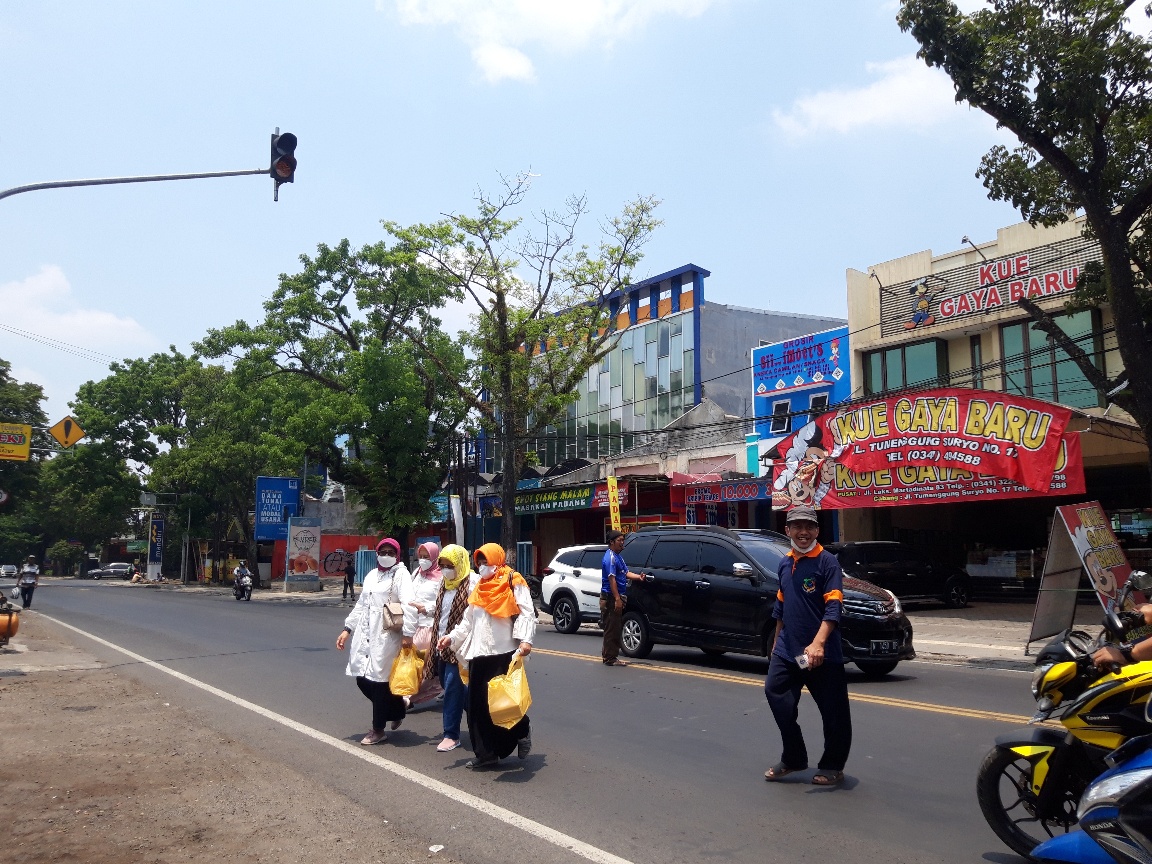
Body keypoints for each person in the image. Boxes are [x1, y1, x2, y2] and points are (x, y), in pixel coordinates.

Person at [763, 506, 851, 787]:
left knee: (834, 712)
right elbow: (781, 603)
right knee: (775, 692)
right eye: (797, 527)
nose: (803, 532)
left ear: (817, 530)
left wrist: (818, 643)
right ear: (787, 530)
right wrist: (777, 641)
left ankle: (833, 765)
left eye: (809, 527)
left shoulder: (827, 563)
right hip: (789, 649)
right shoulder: (785, 562)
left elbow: (834, 605)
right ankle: (794, 757)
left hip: (822, 652)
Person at [437, 542, 535, 769]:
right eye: (478, 561)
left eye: (485, 561)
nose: (481, 565)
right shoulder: (480, 586)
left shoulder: (513, 580)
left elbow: (526, 613)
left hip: (503, 652)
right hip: (478, 654)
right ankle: (487, 753)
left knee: (503, 704)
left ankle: (522, 729)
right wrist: (451, 638)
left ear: (497, 559)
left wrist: (526, 640)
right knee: (478, 707)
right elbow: (468, 621)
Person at [336, 538, 414, 745]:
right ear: (377, 553)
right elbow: (361, 605)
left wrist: (408, 634)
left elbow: (409, 605)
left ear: (397, 555)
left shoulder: (401, 574)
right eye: (383, 551)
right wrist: (347, 629)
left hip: (387, 636)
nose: (386, 555)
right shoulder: (372, 575)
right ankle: (397, 707)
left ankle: (378, 729)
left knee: (379, 682)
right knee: (361, 678)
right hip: (366, 634)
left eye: (390, 552)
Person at [429, 543, 478, 752]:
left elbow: (473, 618)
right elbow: (441, 611)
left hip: (461, 647)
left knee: (451, 687)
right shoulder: (445, 583)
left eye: (450, 565)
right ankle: (483, 717)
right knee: (454, 688)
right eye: (443, 565)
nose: (446, 569)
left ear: (460, 563)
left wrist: (454, 637)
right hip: (441, 644)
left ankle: (451, 734)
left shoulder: (472, 584)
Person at [407, 541, 444, 707]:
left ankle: (408, 698)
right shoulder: (416, 573)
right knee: (410, 664)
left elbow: (444, 602)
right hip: (413, 624)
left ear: (435, 557)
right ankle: (411, 693)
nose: (422, 560)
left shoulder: (442, 577)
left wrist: (426, 608)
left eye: (426, 557)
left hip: (429, 626)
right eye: (420, 556)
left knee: (421, 666)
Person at [600, 530, 644, 667]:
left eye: (623, 540)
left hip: (615, 597)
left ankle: (608, 655)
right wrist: (617, 599)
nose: (622, 543)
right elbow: (612, 580)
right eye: (619, 540)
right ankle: (610, 658)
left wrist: (638, 577)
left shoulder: (618, 557)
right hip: (611, 597)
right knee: (612, 628)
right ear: (611, 542)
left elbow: (625, 573)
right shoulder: (610, 558)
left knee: (614, 626)